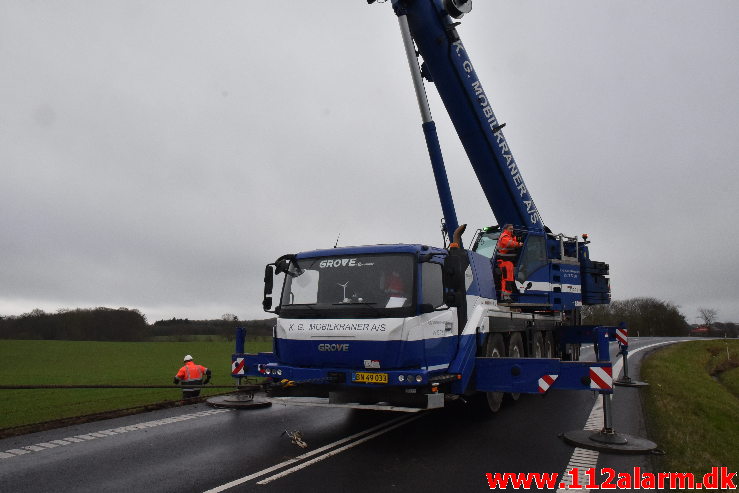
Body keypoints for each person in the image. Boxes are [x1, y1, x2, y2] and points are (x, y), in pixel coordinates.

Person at [496, 224, 523, 300]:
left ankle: (506, 296)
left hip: (508, 262)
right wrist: (518, 244)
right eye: (510, 229)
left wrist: (515, 237)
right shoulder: (504, 236)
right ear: (506, 229)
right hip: (504, 261)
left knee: (509, 279)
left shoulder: (509, 236)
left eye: (512, 229)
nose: (512, 230)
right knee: (506, 279)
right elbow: (509, 243)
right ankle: (505, 296)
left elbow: (512, 241)